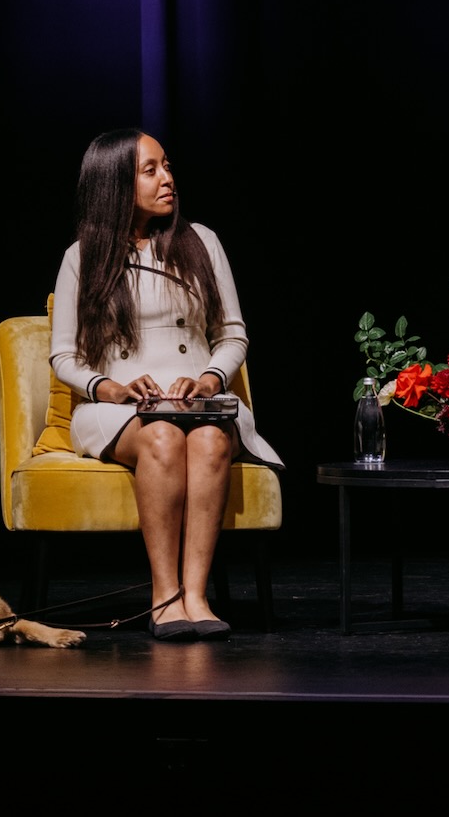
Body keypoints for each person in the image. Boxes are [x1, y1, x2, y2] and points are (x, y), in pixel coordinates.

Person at [50, 128, 284, 642]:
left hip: (201, 398)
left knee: (206, 437)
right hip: (118, 405)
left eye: (168, 166)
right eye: (150, 169)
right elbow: (63, 355)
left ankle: (196, 596)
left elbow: (233, 335)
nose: (168, 178)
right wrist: (108, 387)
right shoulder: (83, 255)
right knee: (160, 438)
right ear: (114, 183)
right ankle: (166, 596)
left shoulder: (201, 242)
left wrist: (208, 378)